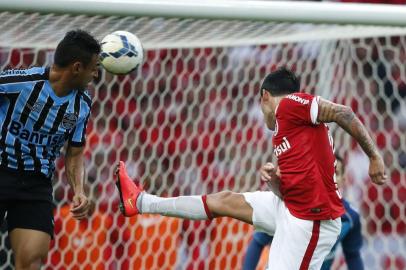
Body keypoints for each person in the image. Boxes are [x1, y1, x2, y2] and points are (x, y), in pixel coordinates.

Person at [115, 67, 386, 269]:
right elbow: (294, 186)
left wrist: (374, 156)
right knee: (223, 200)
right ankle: (140, 201)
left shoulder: (290, 105)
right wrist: (274, 181)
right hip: (291, 207)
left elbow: (344, 113)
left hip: (312, 222)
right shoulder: (289, 132)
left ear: (264, 96)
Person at [0, 29, 100, 269]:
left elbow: (74, 152)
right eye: (94, 67)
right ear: (77, 67)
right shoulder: (21, 82)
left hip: (36, 184)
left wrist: (79, 190)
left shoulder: (82, 104)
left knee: (32, 258)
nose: (96, 74)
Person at [242, 155, 364, 270]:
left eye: (335, 173)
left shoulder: (350, 218)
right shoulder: (290, 206)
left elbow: (352, 255)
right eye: (326, 170)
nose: (330, 176)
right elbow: (258, 242)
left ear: (343, 179)